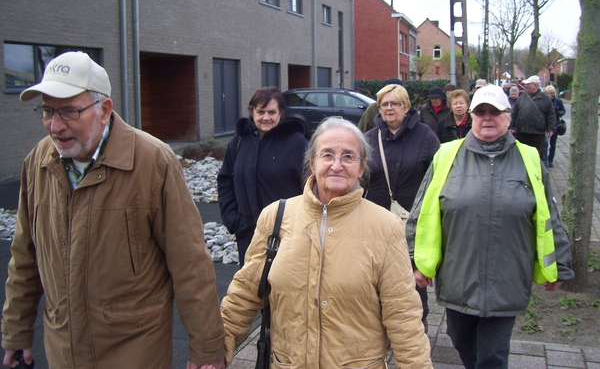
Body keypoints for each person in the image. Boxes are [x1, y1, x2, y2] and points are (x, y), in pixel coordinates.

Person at [2, 52, 225, 369]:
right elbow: (24, 257)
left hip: (135, 351)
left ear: (104, 110)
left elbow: (190, 262)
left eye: (68, 111)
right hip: (62, 350)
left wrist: (207, 348)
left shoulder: (152, 161)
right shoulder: (37, 162)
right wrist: (16, 330)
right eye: (47, 111)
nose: (55, 126)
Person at [220, 117, 432, 368]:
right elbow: (244, 293)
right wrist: (214, 351)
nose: (337, 165)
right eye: (327, 155)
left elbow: (403, 315)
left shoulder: (386, 227)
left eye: (349, 157)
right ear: (312, 162)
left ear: (362, 167)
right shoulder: (276, 217)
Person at [407, 85, 574, 369]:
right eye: (481, 111)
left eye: (495, 112)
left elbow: (548, 217)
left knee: (493, 356)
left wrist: (559, 263)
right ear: (471, 116)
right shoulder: (447, 155)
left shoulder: (530, 159)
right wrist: (414, 259)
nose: (488, 118)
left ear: (508, 117)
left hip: (508, 277)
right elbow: (422, 212)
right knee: (459, 338)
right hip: (459, 274)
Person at [364, 84, 440, 331]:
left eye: (395, 103)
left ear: (406, 107)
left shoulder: (426, 136)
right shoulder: (369, 138)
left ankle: (416, 325)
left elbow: (438, 177)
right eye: (384, 104)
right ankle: (380, 326)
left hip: (412, 223)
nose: (389, 108)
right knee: (376, 275)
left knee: (411, 278)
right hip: (375, 222)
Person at [217, 87, 306, 266]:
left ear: (281, 113)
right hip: (247, 232)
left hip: (286, 235)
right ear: (252, 112)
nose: (266, 117)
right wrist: (233, 219)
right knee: (250, 287)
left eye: (272, 112)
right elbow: (226, 180)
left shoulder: (296, 143)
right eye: (261, 112)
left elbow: (310, 186)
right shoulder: (240, 141)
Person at [511, 75, 556, 157]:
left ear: (535, 85)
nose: (526, 86)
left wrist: (551, 128)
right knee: (521, 156)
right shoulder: (521, 98)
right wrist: (511, 126)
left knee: (536, 156)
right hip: (521, 132)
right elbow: (514, 113)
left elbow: (551, 115)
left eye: (528, 84)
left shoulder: (545, 99)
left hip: (537, 134)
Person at [543, 85, 566, 168]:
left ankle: (550, 160)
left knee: (553, 144)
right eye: (545, 93)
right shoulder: (543, 101)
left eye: (548, 93)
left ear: (552, 94)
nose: (546, 94)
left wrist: (558, 113)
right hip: (545, 125)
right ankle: (544, 159)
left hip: (555, 125)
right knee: (545, 143)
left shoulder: (558, 101)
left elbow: (563, 110)